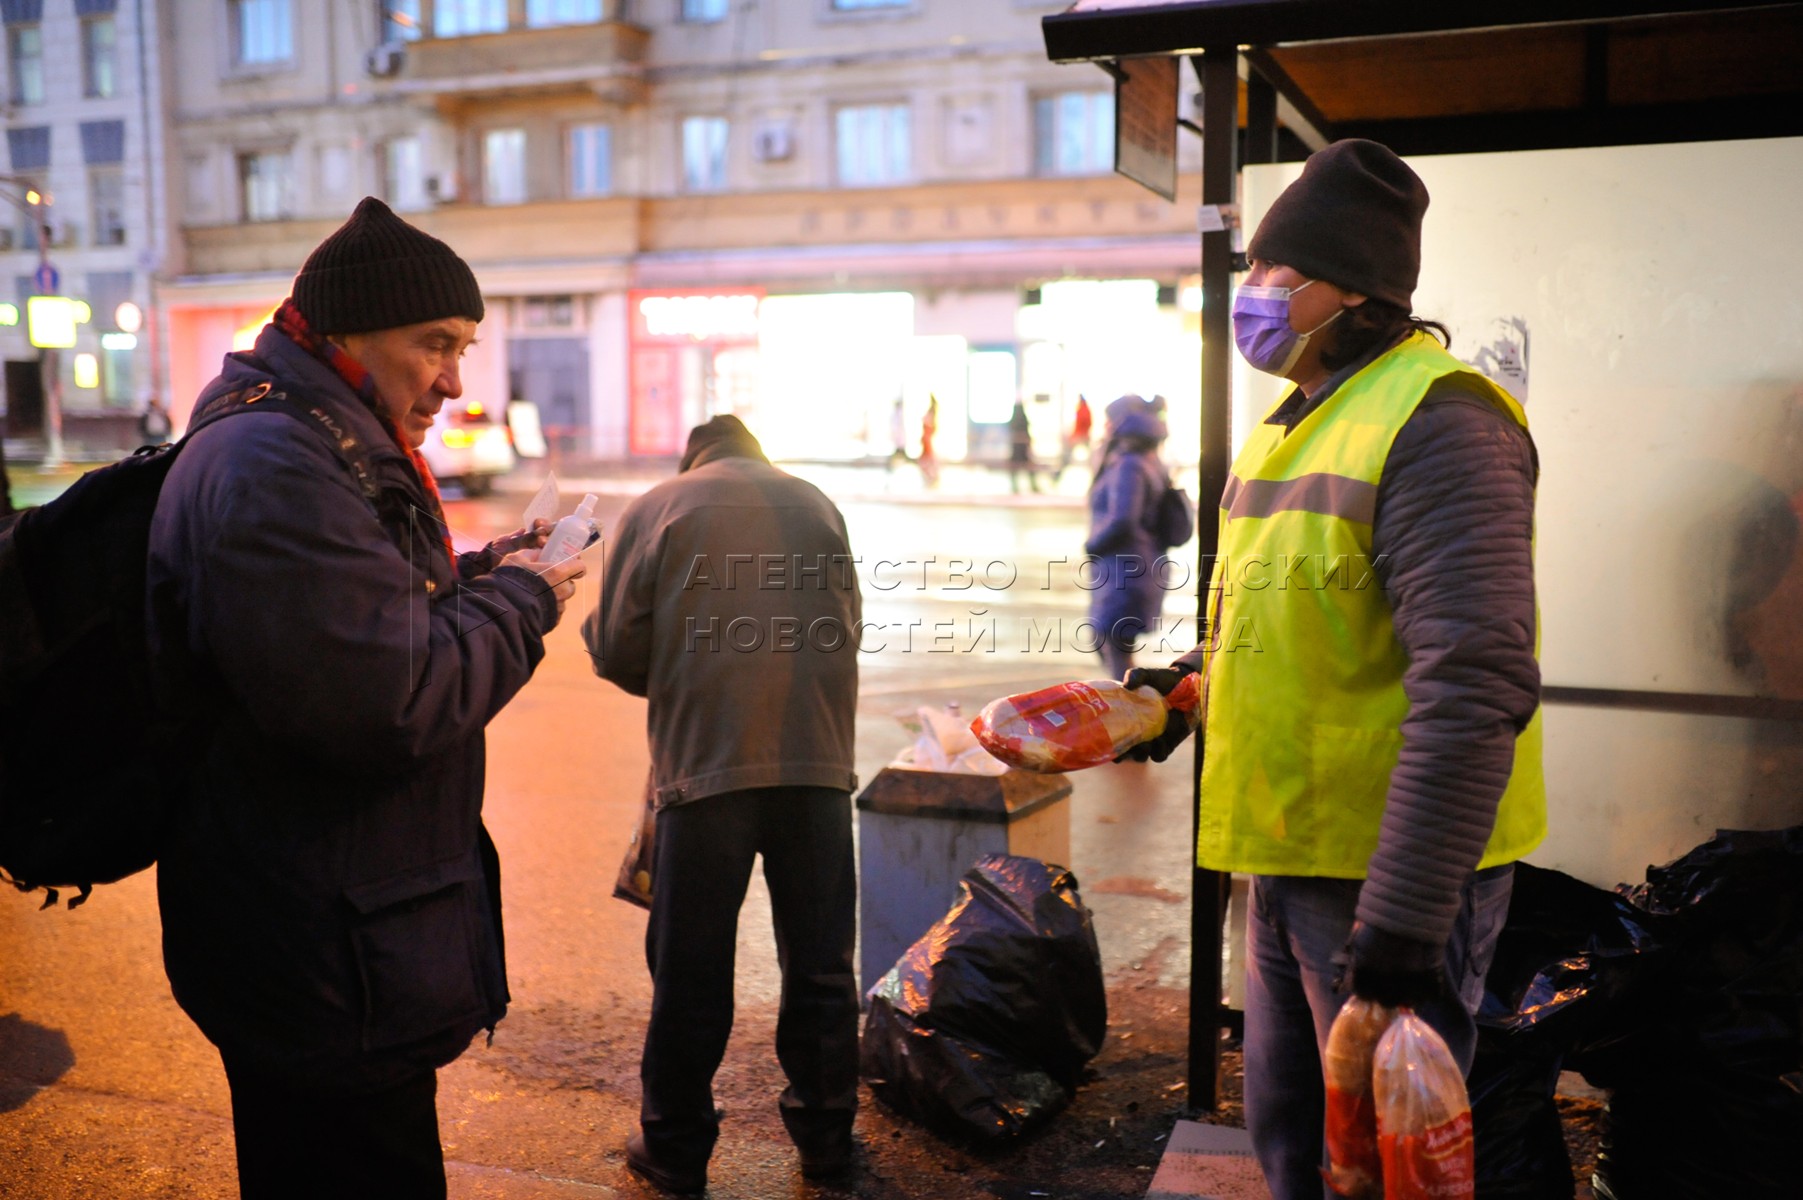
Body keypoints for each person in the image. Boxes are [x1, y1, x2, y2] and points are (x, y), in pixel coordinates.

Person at [1120, 140, 1544, 1199]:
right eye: (1254, 267)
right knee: (1294, 1145)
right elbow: (1285, 616)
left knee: (1382, 1175)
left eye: (1277, 270)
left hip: (1384, 878)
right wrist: (1178, 691)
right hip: (1288, 853)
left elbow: (1474, 678)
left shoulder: (1440, 421)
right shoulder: (1298, 415)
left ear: (1352, 290)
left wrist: (1405, 917)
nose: (1254, 290)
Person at [145, 197, 584, 1200]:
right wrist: (523, 602)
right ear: (348, 332)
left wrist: (488, 571)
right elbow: (392, 699)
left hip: (331, 934)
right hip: (320, 953)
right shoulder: (280, 462)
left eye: (465, 348)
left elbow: (371, 614)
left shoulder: (313, 436)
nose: (455, 381)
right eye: (435, 343)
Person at [582, 415, 863, 1196]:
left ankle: (673, 1150)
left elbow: (616, 648)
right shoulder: (816, 502)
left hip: (705, 771)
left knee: (691, 970)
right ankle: (827, 1141)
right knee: (821, 968)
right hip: (816, 766)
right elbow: (847, 626)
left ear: (693, 458)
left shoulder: (660, 506)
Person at [1084, 394, 1174, 680]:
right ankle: (1132, 699)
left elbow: (1123, 518)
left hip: (1126, 570)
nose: (1106, 427)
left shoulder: (1129, 465)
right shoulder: (1148, 459)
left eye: (1110, 420)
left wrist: (1092, 545)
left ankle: (1133, 703)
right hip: (1134, 566)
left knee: (1114, 647)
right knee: (1111, 643)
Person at [1057, 393, 1094, 484]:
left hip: (1081, 435)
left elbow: (1084, 423)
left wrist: (1079, 433)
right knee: (1070, 451)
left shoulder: (1083, 410)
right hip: (1081, 434)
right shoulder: (1083, 409)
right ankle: (1061, 469)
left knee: (1069, 451)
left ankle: (1062, 469)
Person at [1007, 399, 1040, 493]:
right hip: (1020, 448)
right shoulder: (1020, 419)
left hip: (1020, 448)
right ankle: (1028, 486)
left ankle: (1029, 485)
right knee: (1018, 466)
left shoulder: (1016, 419)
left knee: (1024, 466)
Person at [918, 393, 940, 486]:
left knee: (928, 460)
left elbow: (931, 428)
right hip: (926, 440)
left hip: (927, 440)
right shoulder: (931, 415)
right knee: (927, 460)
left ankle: (932, 478)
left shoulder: (931, 415)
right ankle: (931, 478)